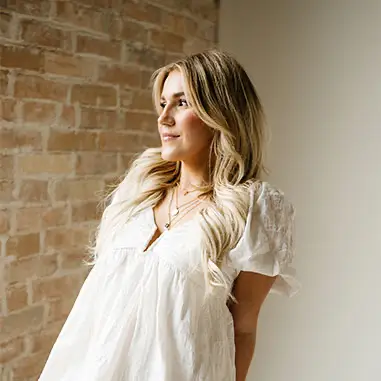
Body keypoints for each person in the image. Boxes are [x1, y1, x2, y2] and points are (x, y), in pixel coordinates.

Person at [39, 49, 299, 381]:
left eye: (182, 103)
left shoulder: (255, 208)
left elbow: (243, 328)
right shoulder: (137, 190)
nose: (164, 118)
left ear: (220, 113)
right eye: (163, 104)